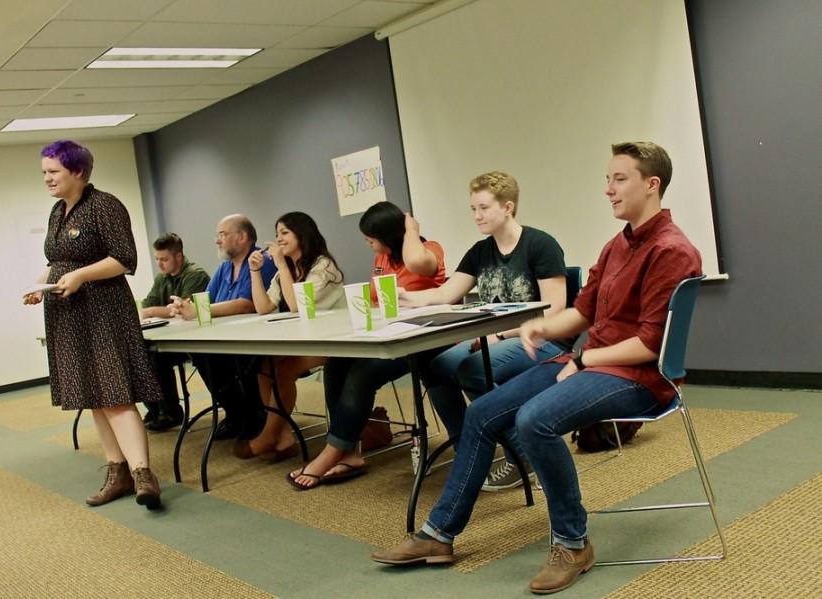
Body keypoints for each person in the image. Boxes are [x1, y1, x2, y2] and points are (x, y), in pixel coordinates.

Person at [372, 141, 702, 595]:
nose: (607, 189)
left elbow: (649, 345)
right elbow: (583, 315)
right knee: (481, 412)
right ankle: (438, 535)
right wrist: (540, 330)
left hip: (642, 379)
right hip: (592, 363)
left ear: (652, 184)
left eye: (618, 179)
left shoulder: (671, 249)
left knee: (535, 421)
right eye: (607, 179)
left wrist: (585, 359)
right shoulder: (616, 246)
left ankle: (572, 542)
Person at [401, 171, 568, 491]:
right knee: (431, 365)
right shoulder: (480, 251)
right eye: (473, 209)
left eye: (483, 208)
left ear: (508, 207)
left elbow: (556, 310)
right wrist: (407, 298)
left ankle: (522, 458)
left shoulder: (541, 244)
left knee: (473, 368)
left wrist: (498, 336)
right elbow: (446, 294)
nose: (477, 216)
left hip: (543, 341)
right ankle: (468, 447)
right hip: (492, 340)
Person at [23, 140, 163, 510]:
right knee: (93, 397)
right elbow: (59, 261)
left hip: (104, 311)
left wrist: (82, 276)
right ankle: (117, 473)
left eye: (53, 172)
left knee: (116, 394)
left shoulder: (105, 206)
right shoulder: (57, 212)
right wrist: (41, 286)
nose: (47, 179)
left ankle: (143, 475)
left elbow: (124, 259)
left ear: (78, 172)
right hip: (67, 315)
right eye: (44, 173)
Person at [288, 202, 447, 489]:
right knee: (337, 363)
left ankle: (333, 450)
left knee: (363, 373)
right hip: (386, 336)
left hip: (422, 341)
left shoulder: (429, 250)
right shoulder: (383, 258)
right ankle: (348, 452)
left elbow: (416, 264)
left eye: (372, 239)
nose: (369, 245)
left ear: (391, 235)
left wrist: (411, 229)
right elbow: (376, 301)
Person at [233, 211, 345, 461]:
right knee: (262, 366)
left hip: (332, 341)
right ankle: (283, 437)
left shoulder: (323, 266)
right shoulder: (285, 270)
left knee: (282, 371)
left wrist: (281, 264)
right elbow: (263, 307)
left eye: (285, 232)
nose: (278, 239)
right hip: (302, 340)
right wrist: (254, 272)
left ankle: (268, 435)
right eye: (276, 234)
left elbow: (297, 306)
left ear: (302, 234)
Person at [169, 215, 277, 440]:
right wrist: (186, 306)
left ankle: (250, 417)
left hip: (255, 340)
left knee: (216, 359)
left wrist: (199, 311)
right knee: (201, 355)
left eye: (222, 235)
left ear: (242, 237)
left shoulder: (261, 261)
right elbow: (206, 301)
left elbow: (246, 304)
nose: (217, 241)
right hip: (225, 339)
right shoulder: (224, 268)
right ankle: (236, 413)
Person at [140, 233, 210, 431]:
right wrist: (157, 310)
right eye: (157, 260)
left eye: (164, 259)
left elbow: (184, 310)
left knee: (156, 359)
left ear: (179, 257)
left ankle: (170, 411)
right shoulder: (162, 278)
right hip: (171, 337)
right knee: (140, 354)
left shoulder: (195, 275)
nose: (160, 265)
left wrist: (155, 311)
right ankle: (156, 409)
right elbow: (148, 304)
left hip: (195, 340)